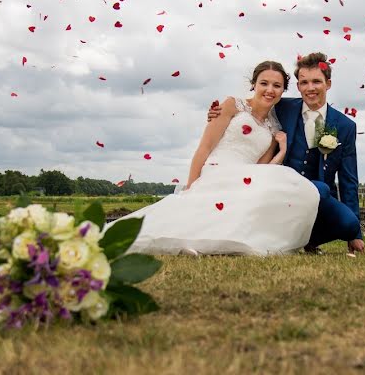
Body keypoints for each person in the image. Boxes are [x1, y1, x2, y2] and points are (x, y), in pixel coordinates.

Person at [108, 61, 320, 256]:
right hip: (217, 168)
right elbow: (205, 147)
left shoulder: (275, 126)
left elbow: (261, 169)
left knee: (293, 188)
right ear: (253, 84)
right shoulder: (231, 105)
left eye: (277, 85)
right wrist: (191, 185)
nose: (269, 90)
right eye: (264, 83)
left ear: (283, 90)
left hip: (245, 177)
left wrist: (281, 151)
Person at [210, 52, 363, 254]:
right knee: (320, 188)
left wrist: (356, 236)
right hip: (281, 191)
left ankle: (303, 242)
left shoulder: (345, 126)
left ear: (328, 84)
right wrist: (218, 113)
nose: (310, 88)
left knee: (348, 223)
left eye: (316, 81)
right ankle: (285, 240)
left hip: (319, 201)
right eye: (304, 82)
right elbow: (250, 108)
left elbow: (348, 180)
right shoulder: (282, 107)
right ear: (298, 86)